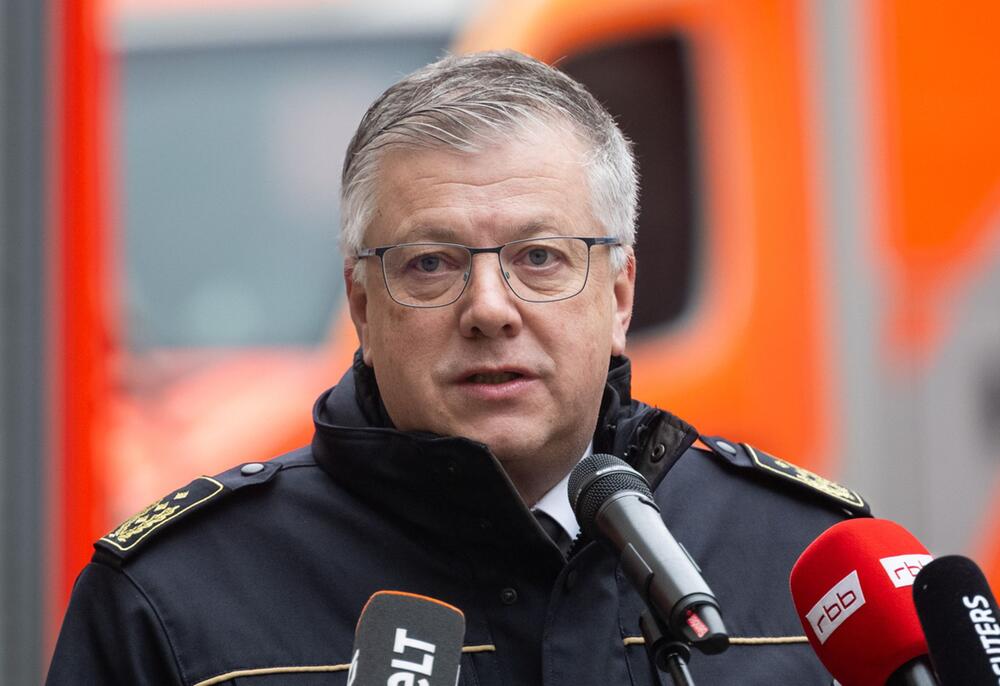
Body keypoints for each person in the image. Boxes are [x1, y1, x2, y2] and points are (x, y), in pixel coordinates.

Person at [47, 50, 869, 685]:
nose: (489, 309)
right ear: (363, 307)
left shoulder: (816, 569)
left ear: (619, 296)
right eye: (432, 264)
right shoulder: (175, 602)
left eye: (540, 257)